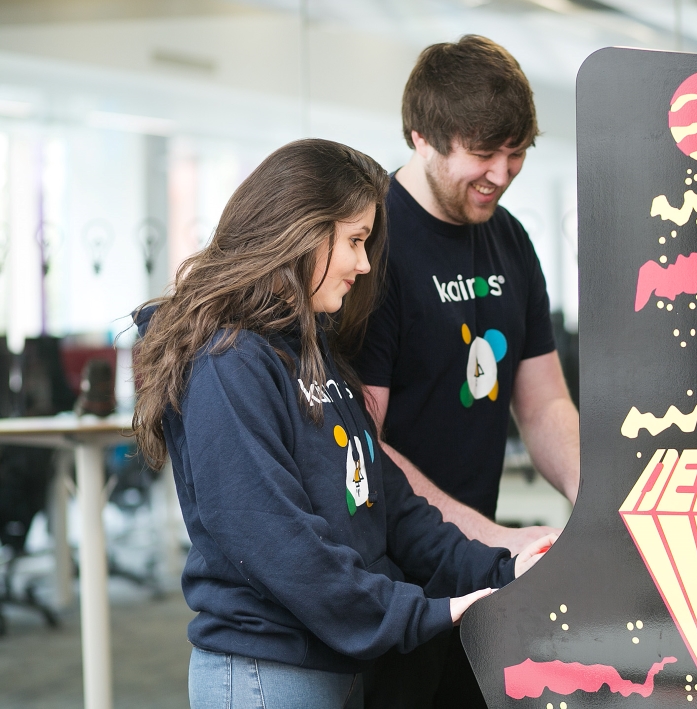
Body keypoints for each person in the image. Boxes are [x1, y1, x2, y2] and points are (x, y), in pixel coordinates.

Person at [130, 139, 553, 709]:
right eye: (354, 241)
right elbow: (281, 544)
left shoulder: (311, 349)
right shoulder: (227, 362)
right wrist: (427, 613)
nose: (363, 263)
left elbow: (392, 509)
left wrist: (502, 568)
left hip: (338, 664)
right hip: (268, 672)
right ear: (299, 233)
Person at [353, 36, 580, 708]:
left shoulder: (509, 239)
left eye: (518, 153)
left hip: (476, 570)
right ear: (422, 137)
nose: (504, 172)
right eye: (485, 153)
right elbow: (368, 440)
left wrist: (598, 503)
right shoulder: (372, 248)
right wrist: (490, 538)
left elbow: (542, 405)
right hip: (393, 576)